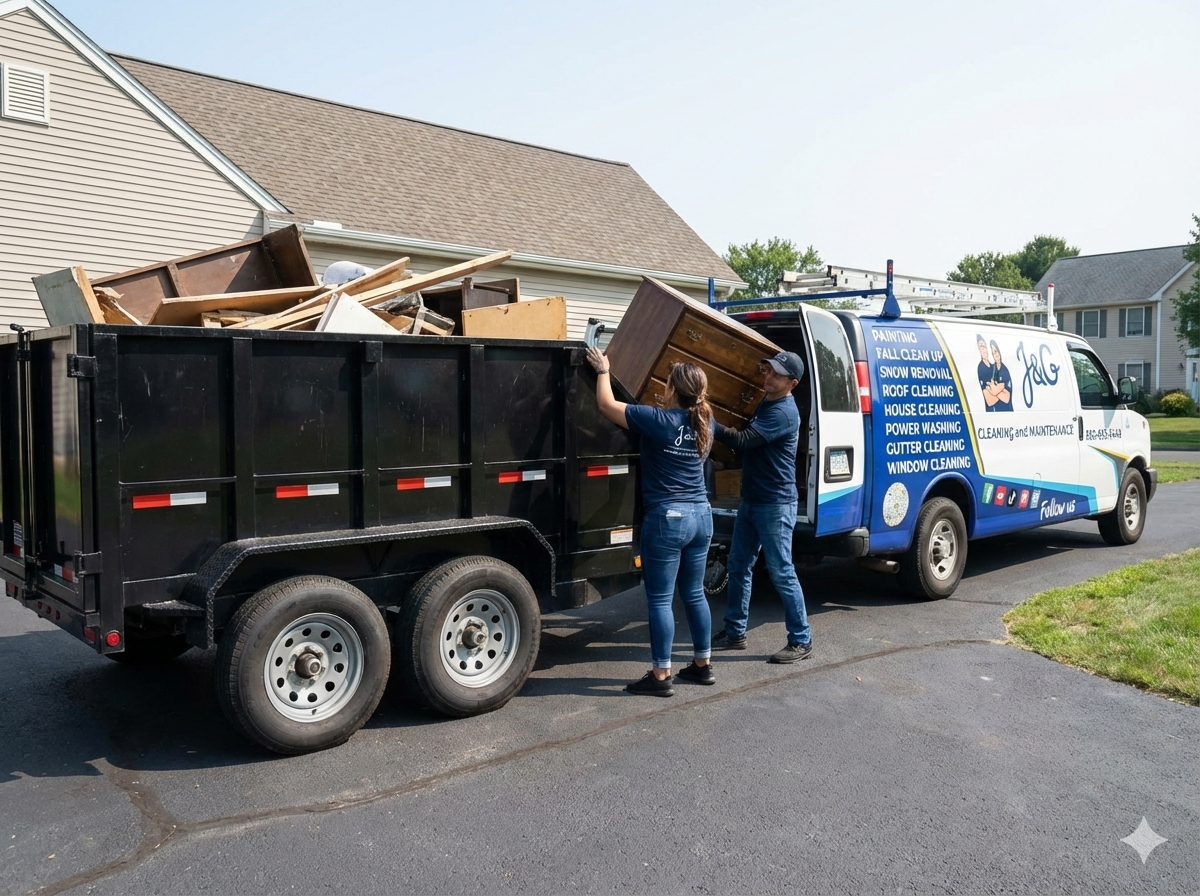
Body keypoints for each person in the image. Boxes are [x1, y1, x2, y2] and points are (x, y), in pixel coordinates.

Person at [585, 344, 716, 696]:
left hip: (669, 519)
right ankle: (702, 666)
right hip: (702, 516)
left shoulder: (658, 420)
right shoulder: (707, 423)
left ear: (673, 389)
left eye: (668, 383)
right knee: (693, 593)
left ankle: (661, 676)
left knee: (660, 600)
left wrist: (602, 370)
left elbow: (605, 405)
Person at [710, 351, 812, 664]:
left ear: (791, 384)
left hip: (775, 504)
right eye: (768, 370)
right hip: (753, 500)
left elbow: (743, 441)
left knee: (782, 572)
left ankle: (801, 639)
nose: (768, 377)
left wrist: (707, 422)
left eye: (777, 375)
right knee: (739, 565)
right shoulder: (766, 400)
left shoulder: (784, 412)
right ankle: (735, 631)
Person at [987, 340, 1014, 412]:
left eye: (996, 351)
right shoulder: (991, 369)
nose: (995, 354)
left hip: (1007, 412)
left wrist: (993, 391)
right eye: (993, 352)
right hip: (995, 413)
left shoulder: (1005, 370)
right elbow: (988, 398)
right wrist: (997, 390)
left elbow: (1007, 398)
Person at [976, 334, 995, 412]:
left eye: (985, 346)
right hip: (991, 412)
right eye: (981, 347)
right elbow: (989, 400)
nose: (984, 349)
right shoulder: (981, 368)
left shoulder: (993, 367)